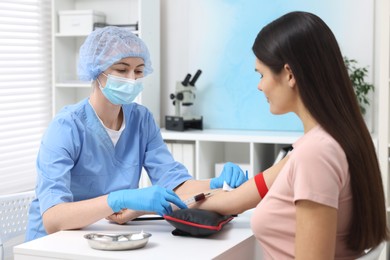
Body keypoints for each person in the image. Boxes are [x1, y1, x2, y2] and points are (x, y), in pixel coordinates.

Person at [194, 11, 389, 259]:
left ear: (289, 74)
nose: (259, 85)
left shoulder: (315, 154)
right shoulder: (331, 140)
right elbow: (236, 200)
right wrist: (168, 203)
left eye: (261, 74)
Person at [25, 26, 247, 241]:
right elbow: (53, 219)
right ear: (96, 70)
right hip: (53, 243)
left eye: (139, 71)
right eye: (122, 70)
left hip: (108, 236)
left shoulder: (141, 120)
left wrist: (215, 184)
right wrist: (118, 199)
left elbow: (174, 182)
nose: (131, 78)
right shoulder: (66, 128)